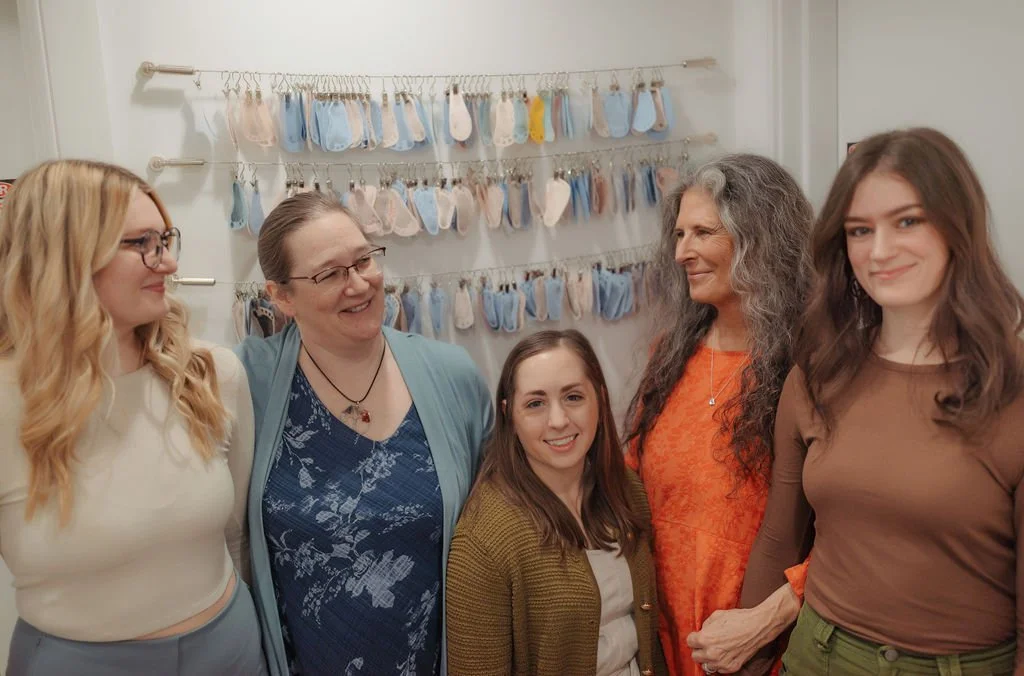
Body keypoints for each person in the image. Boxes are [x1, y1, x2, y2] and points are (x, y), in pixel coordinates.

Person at [738, 127, 1024, 675]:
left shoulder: (1011, 389)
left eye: (907, 221)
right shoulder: (818, 376)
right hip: (816, 657)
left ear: (957, 228)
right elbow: (779, 539)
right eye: (860, 230)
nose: (881, 250)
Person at [0, 160, 264, 675]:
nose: (165, 263)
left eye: (165, 240)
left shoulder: (211, 374)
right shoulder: (9, 401)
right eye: (142, 243)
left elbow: (236, 538)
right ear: (67, 256)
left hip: (232, 649)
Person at [235, 191, 494, 676]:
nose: (358, 284)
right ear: (281, 296)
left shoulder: (452, 378)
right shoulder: (248, 385)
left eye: (364, 261)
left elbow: (502, 535)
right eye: (329, 273)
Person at [624, 154, 815, 676]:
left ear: (761, 238)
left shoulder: (814, 366)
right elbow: (631, 485)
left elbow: (856, 536)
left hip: (768, 650)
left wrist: (764, 620)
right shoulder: (669, 356)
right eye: (680, 234)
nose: (683, 251)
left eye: (703, 232)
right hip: (666, 644)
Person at [446, 329, 665, 675]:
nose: (559, 420)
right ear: (509, 416)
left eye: (573, 397)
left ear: (600, 399)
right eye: (535, 403)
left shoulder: (624, 489)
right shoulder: (484, 540)